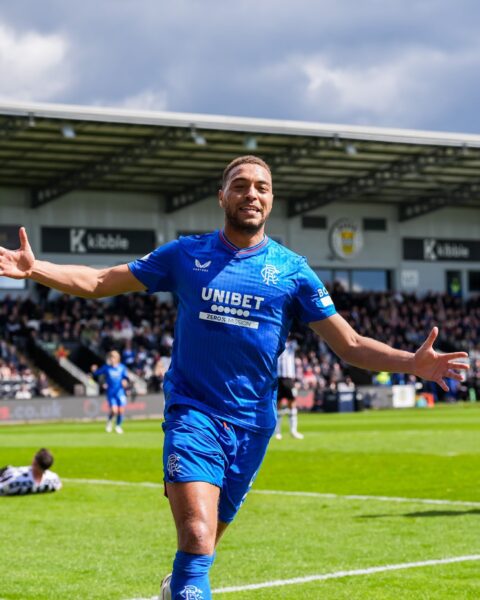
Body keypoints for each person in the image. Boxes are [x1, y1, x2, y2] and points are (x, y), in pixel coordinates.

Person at [0, 155, 469, 600]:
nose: (252, 194)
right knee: (199, 536)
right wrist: (34, 268)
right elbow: (101, 282)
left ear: (272, 200)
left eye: (261, 188)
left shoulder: (293, 272)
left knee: (199, 553)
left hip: (253, 427)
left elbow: (348, 344)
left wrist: (411, 362)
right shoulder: (186, 255)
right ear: (221, 196)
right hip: (193, 414)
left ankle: (175, 586)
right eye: (240, 186)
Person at [91, 350, 130, 434]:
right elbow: (97, 373)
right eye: (110, 357)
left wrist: (125, 382)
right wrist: (94, 370)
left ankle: (118, 426)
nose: (112, 359)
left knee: (121, 411)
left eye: (113, 357)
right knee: (114, 410)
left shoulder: (122, 367)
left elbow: (126, 378)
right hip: (111, 393)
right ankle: (109, 422)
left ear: (117, 359)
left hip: (120, 392)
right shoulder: (106, 367)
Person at [274, 335, 303, 439]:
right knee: (278, 404)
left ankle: (293, 430)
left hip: (289, 378)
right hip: (278, 377)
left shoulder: (292, 344)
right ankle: (277, 432)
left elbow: (300, 341)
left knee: (292, 402)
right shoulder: (276, 343)